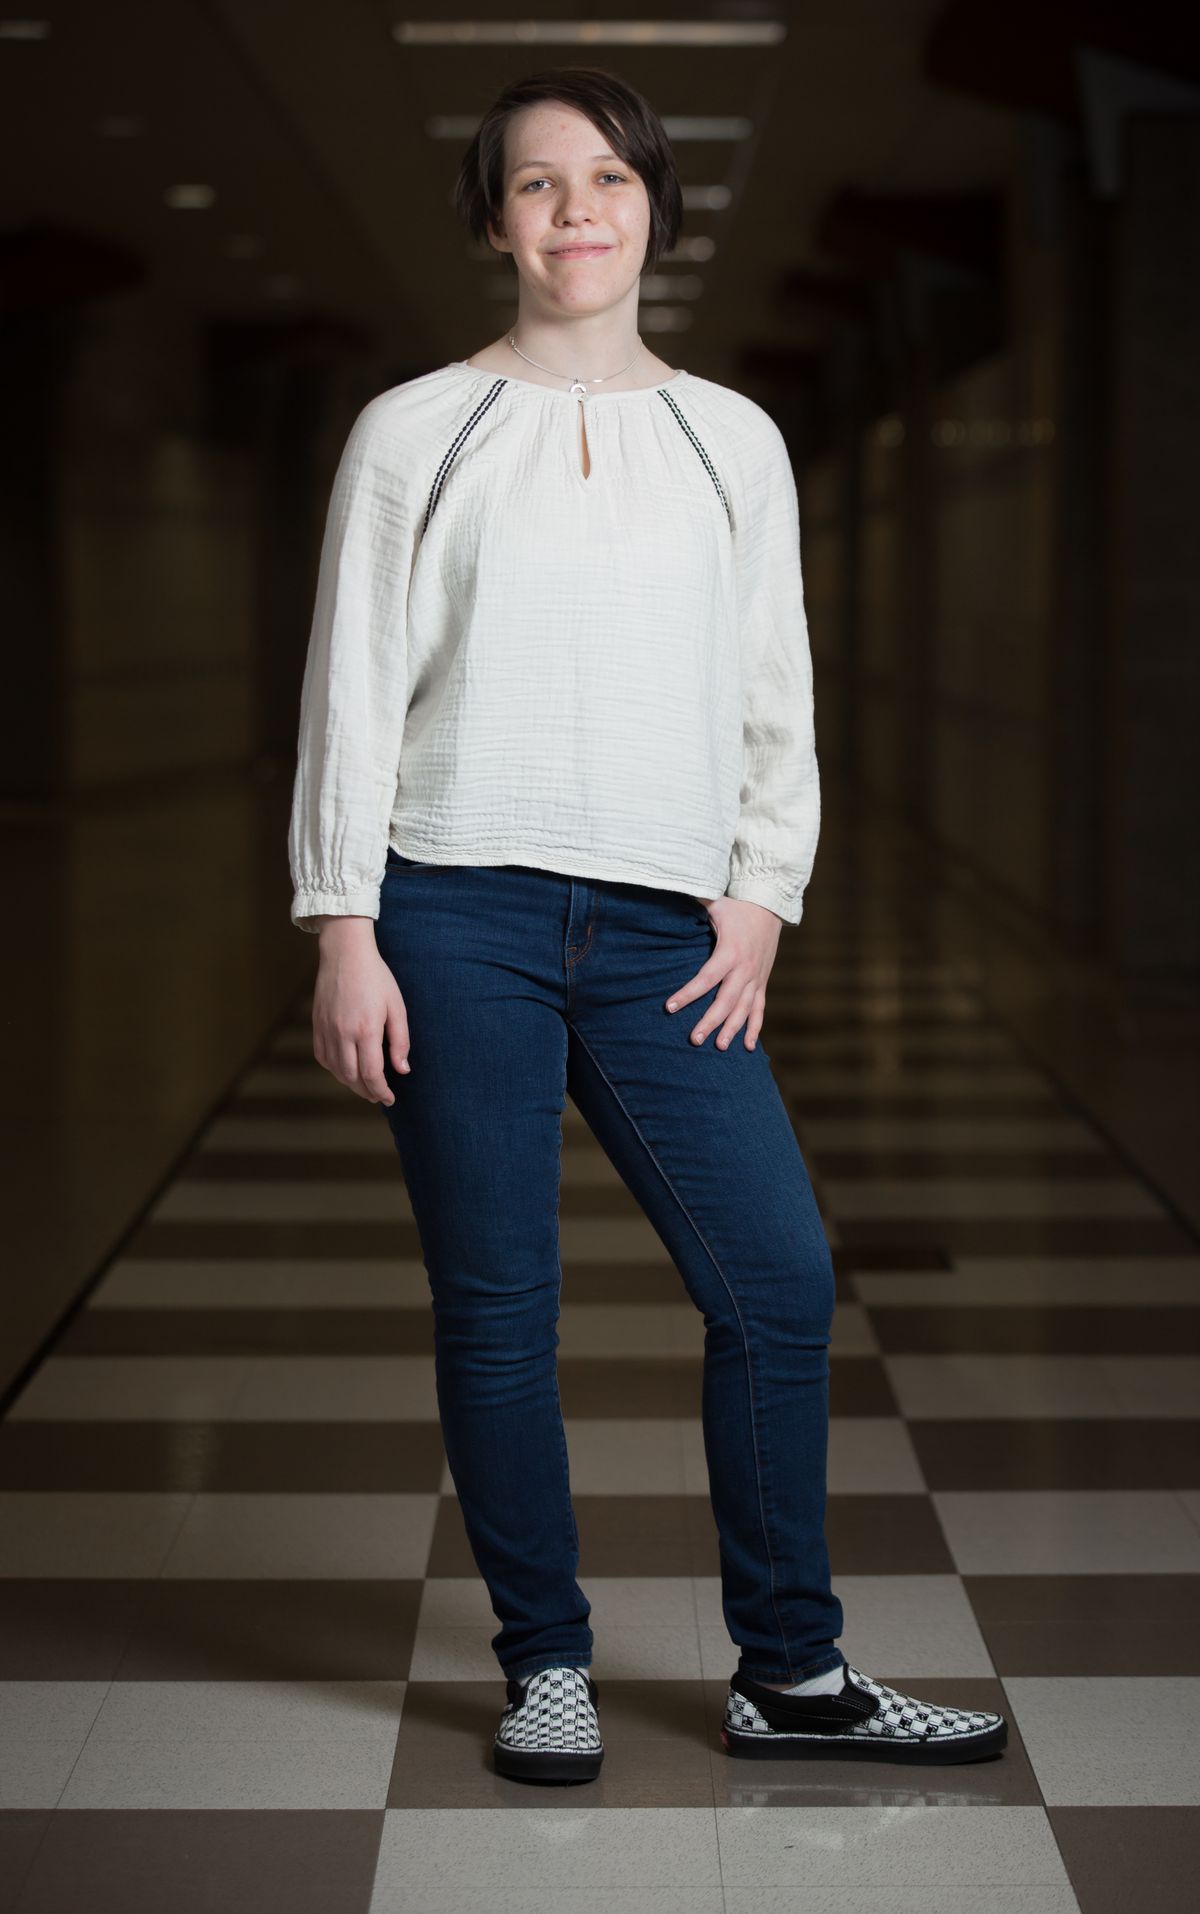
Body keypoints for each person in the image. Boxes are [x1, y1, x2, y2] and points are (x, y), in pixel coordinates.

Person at [287, 66, 1008, 1785]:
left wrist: (765, 889)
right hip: (455, 909)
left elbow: (777, 690)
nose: (577, 210)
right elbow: (355, 689)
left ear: (655, 207)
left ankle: (792, 1670)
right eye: (539, 185)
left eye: (609, 178)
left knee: (776, 1276)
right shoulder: (413, 429)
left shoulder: (731, 436)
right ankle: (547, 1663)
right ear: (495, 219)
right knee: (501, 1306)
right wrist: (343, 923)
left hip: (667, 925)